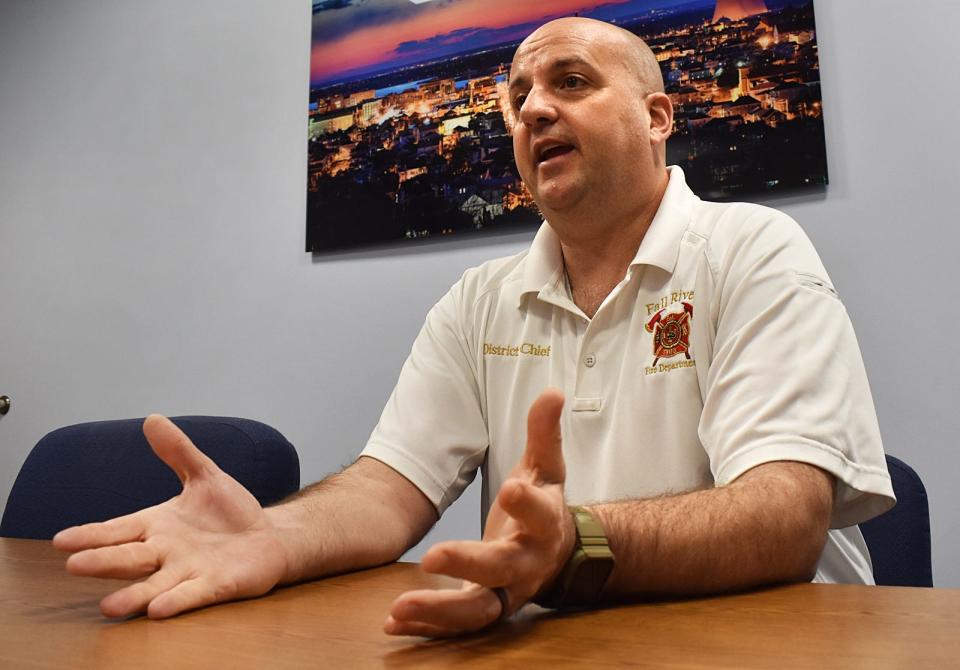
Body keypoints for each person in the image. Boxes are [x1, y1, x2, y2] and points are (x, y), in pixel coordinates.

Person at [53, 17, 895, 638]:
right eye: (520, 94)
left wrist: (570, 548)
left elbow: (786, 515)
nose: (531, 111)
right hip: (563, 647)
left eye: (571, 83)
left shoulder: (751, 248)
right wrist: (272, 533)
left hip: (775, 643)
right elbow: (390, 489)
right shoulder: (479, 299)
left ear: (657, 117)